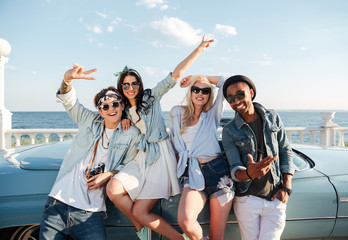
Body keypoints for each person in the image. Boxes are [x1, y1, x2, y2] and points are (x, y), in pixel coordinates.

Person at [106, 36, 214, 240]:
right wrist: (123, 121)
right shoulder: (125, 110)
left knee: (140, 211)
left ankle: (175, 237)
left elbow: (176, 74)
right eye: (126, 85)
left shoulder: (150, 97)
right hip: (141, 157)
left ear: (140, 84)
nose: (131, 88)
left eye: (134, 83)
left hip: (160, 156)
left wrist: (199, 49)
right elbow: (106, 119)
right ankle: (141, 226)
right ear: (121, 88)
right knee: (113, 188)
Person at [39, 63, 139, 240]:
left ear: (122, 105)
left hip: (91, 214)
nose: (111, 109)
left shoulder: (131, 133)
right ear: (100, 111)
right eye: (105, 106)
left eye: (115, 103)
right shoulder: (88, 121)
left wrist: (109, 174)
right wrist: (67, 80)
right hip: (57, 205)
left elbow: (132, 165)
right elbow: (68, 100)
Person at [221, 75, 294, 240]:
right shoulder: (229, 130)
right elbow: (234, 168)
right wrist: (249, 173)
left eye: (240, 94)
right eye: (230, 98)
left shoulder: (273, 117)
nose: (236, 101)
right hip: (247, 200)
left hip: (275, 198)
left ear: (251, 93)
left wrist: (287, 188)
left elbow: (285, 151)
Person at [169, 75, 234, 240]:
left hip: (219, 174)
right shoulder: (177, 113)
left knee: (216, 236)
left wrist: (201, 76)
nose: (200, 93)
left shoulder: (213, 114)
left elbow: (227, 82)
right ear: (190, 92)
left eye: (205, 91)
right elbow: (173, 147)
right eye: (195, 89)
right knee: (186, 221)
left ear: (209, 95)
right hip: (192, 173)